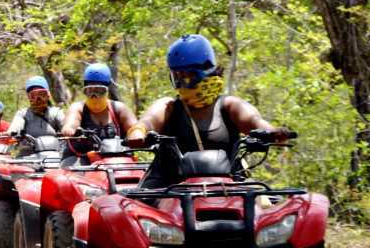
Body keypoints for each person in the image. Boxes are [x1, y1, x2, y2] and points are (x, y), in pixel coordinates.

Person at [124, 34, 290, 187]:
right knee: (134, 212)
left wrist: (273, 132)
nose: (182, 83)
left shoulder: (230, 105)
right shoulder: (169, 106)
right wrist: (138, 132)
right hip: (169, 186)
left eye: (186, 76)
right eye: (177, 77)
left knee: (264, 210)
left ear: (204, 72)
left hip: (229, 184)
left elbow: (255, 121)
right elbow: (149, 120)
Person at [61, 63, 138, 165]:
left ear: (107, 90)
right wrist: (70, 128)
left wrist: (138, 134)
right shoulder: (78, 107)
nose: (94, 96)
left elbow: (135, 127)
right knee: (68, 177)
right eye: (90, 91)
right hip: (81, 158)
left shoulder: (119, 108)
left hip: (115, 159)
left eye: (99, 91)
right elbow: (72, 120)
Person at [6, 76, 65, 155]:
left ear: (48, 95)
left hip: (55, 155)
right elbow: (16, 125)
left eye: (41, 95)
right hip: (28, 156)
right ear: (28, 97)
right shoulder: (22, 114)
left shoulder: (56, 112)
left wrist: (71, 130)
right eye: (33, 96)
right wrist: (13, 132)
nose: (38, 99)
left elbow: (65, 125)